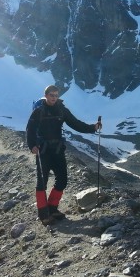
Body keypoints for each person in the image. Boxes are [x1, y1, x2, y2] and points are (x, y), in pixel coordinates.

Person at [26, 85, 102, 225]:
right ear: (46, 95)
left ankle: (52, 208)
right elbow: (30, 129)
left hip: (57, 149)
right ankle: (44, 215)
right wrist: (32, 146)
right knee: (42, 182)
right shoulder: (38, 111)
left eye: (56, 95)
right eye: (51, 95)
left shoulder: (62, 110)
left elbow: (75, 124)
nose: (54, 97)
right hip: (43, 151)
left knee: (62, 179)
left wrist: (93, 128)